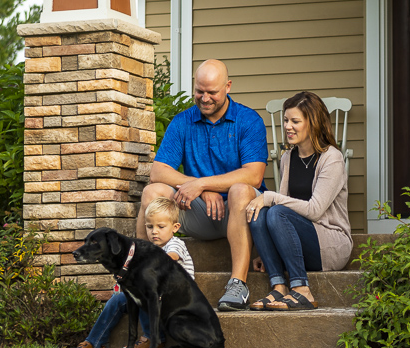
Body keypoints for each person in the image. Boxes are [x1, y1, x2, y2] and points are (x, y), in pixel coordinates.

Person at [139, 59, 268, 311]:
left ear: (228, 86)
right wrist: (201, 188)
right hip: (199, 212)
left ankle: (238, 284)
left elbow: (254, 176)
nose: (205, 98)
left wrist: (203, 184)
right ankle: (144, 275)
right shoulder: (183, 121)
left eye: (212, 92)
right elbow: (158, 170)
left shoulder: (248, 121)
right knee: (152, 192)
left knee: (241, 189)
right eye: (199, 90)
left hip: (240, 212)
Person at [243, 91, 352, 311]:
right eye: (286, 120)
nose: (288, 126)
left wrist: (270, 197)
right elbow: (281, 209)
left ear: (313, 123)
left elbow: (314, 210)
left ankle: (302, 289)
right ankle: (278, 287)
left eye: (295, 121)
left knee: (274, 209)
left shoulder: (332, 158)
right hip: (299, 243)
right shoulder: (287, 158)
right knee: (260, 213)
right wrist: (266, 251)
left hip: (330, 244)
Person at [64, 198, 195, 348]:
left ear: (175, 228)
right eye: (150, 226)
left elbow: (170, 258)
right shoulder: (148, 248)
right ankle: (93, 342)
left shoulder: (175, 244)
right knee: (119, 299)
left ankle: (151, 338)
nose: (154, 231)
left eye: (161, 227)